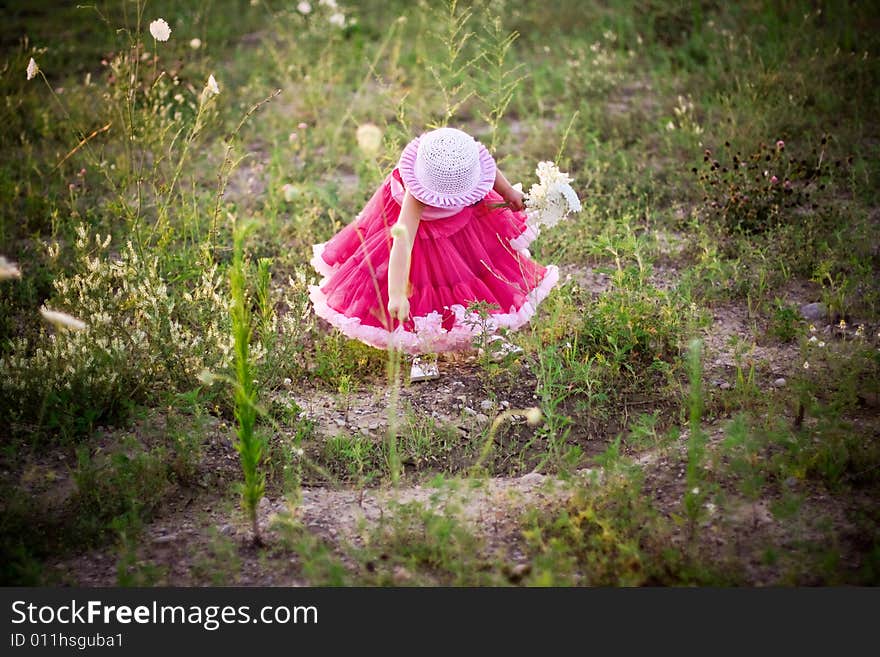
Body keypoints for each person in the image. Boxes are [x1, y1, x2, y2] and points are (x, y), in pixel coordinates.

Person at [308, 126, 559, 381]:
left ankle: (487, 332)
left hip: (463, 228)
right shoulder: (416, 195)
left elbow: (489, 169)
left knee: (477, 270)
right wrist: (395, 294)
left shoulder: (466, 162)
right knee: (423, 287)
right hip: (420, 238)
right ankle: (424, 350)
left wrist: (508, 192)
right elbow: (402, 244)